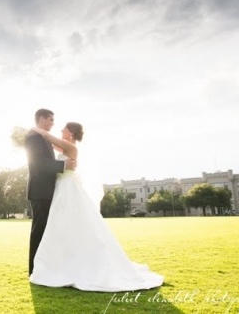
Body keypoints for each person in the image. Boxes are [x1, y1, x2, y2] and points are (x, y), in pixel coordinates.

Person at [29, 122, 164, 291]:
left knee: (68, 222)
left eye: (64, 128)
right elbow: (49, 145)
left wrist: (33, 129)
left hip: (68, 189)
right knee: (62, 225)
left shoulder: (70, 147)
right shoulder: (65, 148)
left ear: (70, 133)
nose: (61, 130)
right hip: (62, 189)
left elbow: (48, 137)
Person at [25, 109, 76, 276]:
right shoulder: (34, 137)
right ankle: (35, 270)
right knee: (39, 231)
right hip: (41, 191)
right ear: (41, 119)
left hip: (48, 190)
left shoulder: (42, 137)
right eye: (50, 120)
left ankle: (45, 268)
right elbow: (38, 163)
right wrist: (62, 166)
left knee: (47, 231)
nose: (53, 124)